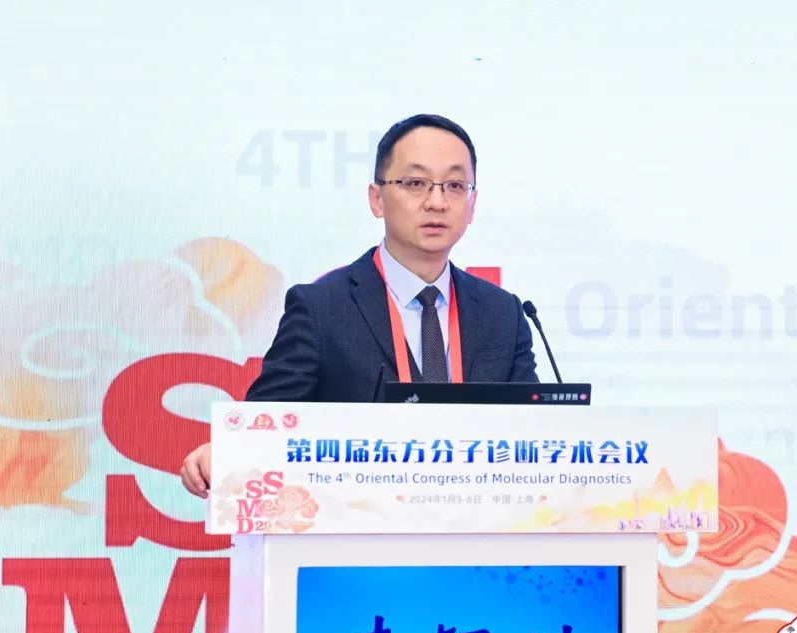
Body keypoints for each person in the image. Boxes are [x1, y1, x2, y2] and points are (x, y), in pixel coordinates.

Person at [180, 114, 538, 497]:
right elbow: (267, 421)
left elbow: (536, 432)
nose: (436, 202)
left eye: (454, 186)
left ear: (472, 204)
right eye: (415, 183)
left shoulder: (503, 313)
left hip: (475, 523)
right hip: (357, 522)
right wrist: (228, 451)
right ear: (377, 199)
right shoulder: (321, 308)